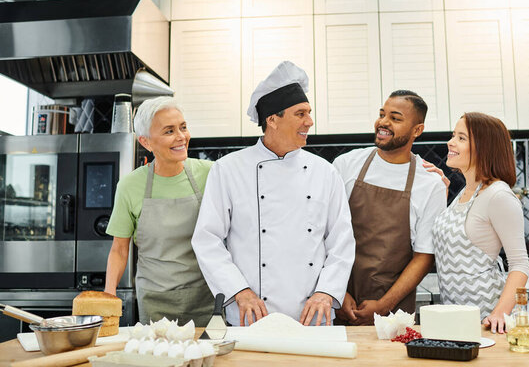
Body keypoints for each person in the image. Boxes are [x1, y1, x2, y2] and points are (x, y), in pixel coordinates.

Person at [192, 61, 355, 327]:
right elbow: (207, 240)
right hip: (252, 315)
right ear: (272, 119)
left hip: (313, 317)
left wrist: (326, 293)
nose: (310, 122)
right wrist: (238, 292)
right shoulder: (228, 170)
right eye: (300, 113)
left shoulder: (325, 173)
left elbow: (342, 242)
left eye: (309, 113)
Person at [333, 90, 447, 325]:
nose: (383, 122)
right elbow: (322, 233)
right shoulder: (346, 165)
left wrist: (385, 305)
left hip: (394, 314)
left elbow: (424, 255)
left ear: (417, 130)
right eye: (382, 114)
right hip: (336, 302)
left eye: (395, 118)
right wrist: (335, 291)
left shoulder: (430, 184)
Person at [104, 96, 214, 325]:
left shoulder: (210, 174)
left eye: (183, 127)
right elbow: (119, 250)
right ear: (146, 142)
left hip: (206, 296)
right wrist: (109, 294)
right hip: (155, 301)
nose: (181, 137)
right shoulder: (129, 186)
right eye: (169, 131)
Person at [432, 112, 529, 334]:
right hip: (457, 320)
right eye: (453, 135)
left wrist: (499, 313)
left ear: (484, 147)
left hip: (487, 321)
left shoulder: (498, 195)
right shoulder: (465, 192)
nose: (450, 142)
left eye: (461, 138)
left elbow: (520, 264)